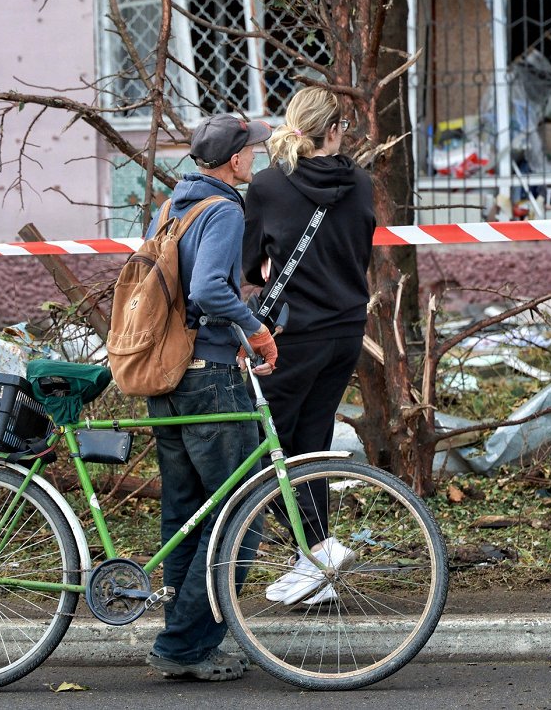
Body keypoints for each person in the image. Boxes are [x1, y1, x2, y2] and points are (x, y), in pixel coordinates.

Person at [144, 113, 278, 682]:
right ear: (235, 161)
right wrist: (252, 328)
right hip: (210, 380)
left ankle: (187, 644)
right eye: (253, 149)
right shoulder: (223, 209)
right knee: (238, 517)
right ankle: (182, 646)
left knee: (185, 515)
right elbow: (207, 290)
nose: (258, 156)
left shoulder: (172, 208)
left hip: (168, 376)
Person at [242, 87, 376, 605]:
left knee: (267, 444)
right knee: (312, 444)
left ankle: (316, 551)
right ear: (335, 130)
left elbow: (250, 265)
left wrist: (269, 266)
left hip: (295, 335)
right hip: (346, 331)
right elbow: (358, 251)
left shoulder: (269, 187)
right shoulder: (360, 184)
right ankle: (313, 559)